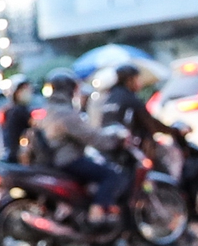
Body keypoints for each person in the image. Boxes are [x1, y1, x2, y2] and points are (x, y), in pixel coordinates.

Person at [34, 68, 130, 222]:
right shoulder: (65, 113)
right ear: (70, 89)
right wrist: (113, 141)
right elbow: (91, 136)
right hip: (69, 160)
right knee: (111, 175)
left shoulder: (49, 110)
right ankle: (97, 215)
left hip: (56, 160)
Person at [0, 77, 39, 165]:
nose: (28, 92)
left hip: (13, 154)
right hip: (21, 157)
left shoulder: (10, 110)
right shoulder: (19, 111)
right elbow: (36, 127)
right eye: (23, 89)